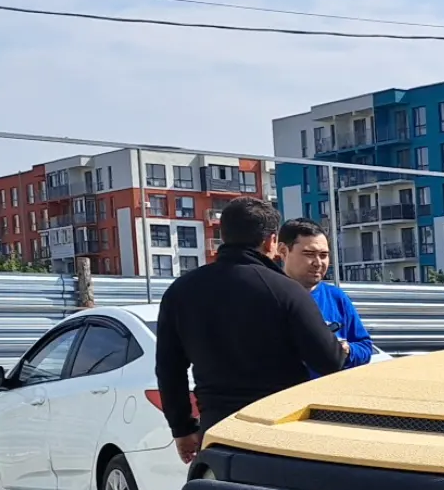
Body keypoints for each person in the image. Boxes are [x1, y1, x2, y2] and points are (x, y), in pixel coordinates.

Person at [155, 198, 348, 463]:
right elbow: (329, 361)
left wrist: (182, 427)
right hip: (279, 428)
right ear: (271, 241)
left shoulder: (181, 291)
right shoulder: (287, 291)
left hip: (217, 428)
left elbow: (168, 368)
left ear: (224, 235)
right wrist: (339, 347)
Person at [278, 218, 374, 370]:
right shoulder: (268, 296)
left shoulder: (336, 298)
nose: (318, 263)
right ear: (283, 251)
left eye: (323, 255)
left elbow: (365, 348)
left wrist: (347, 350)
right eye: (309, 254)